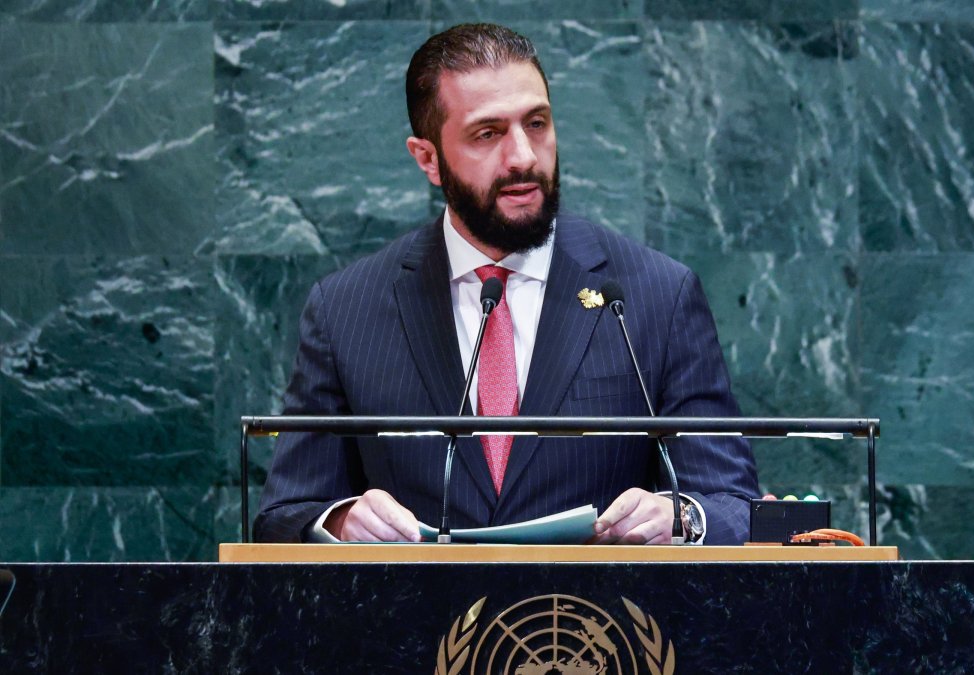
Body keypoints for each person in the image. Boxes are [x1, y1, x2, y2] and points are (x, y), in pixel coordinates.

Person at [254, 23, 759, 546]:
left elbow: (734, 503)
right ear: (428, 158)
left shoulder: (656, 294)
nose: (523, 157)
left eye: (536, 124)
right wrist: (340, 521)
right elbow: (283, 515)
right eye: (487, 134)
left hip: (598, 600)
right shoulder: (345, 310)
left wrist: (680, 517)